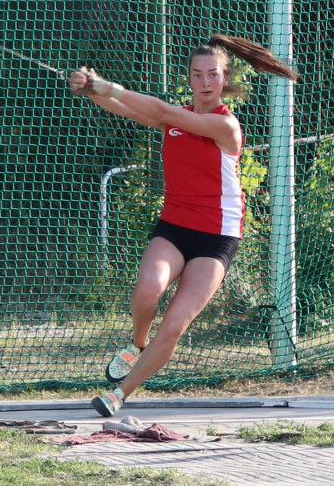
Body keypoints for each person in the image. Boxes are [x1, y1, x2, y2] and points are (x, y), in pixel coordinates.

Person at [69, 34, 297, 417]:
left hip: (217, 236)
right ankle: (136, 344)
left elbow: (162, 112)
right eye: (197, 75)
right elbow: (131, 110)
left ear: (224, 79)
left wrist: (106, 85)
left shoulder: (227, 127)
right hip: (175, 225)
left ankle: (120, 394)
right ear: (189, 79)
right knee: (147, 291)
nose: (205, 82)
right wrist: (90, 89)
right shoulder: (173, 120)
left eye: (212, 75)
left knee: (175, 323)